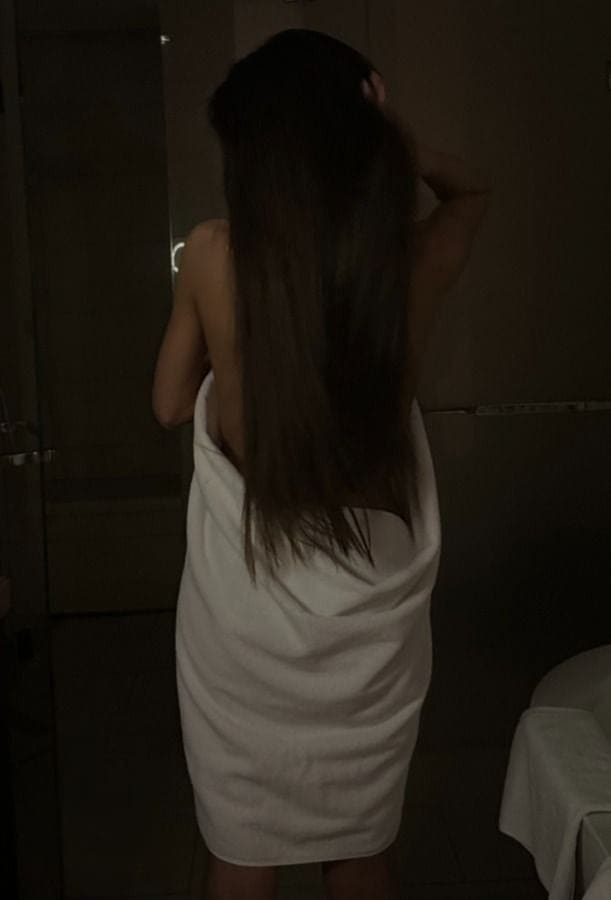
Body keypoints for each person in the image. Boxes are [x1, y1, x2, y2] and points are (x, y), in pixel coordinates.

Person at [153, 28, 491, 900]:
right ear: (362, 126)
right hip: (365, 640)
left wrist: (235, 372)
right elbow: (471, 189)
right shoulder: (406, 261)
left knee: (242, 852)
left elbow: (167, 404)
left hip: (246, 630)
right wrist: (391, 137)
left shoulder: (214, 255)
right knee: (360, 849)